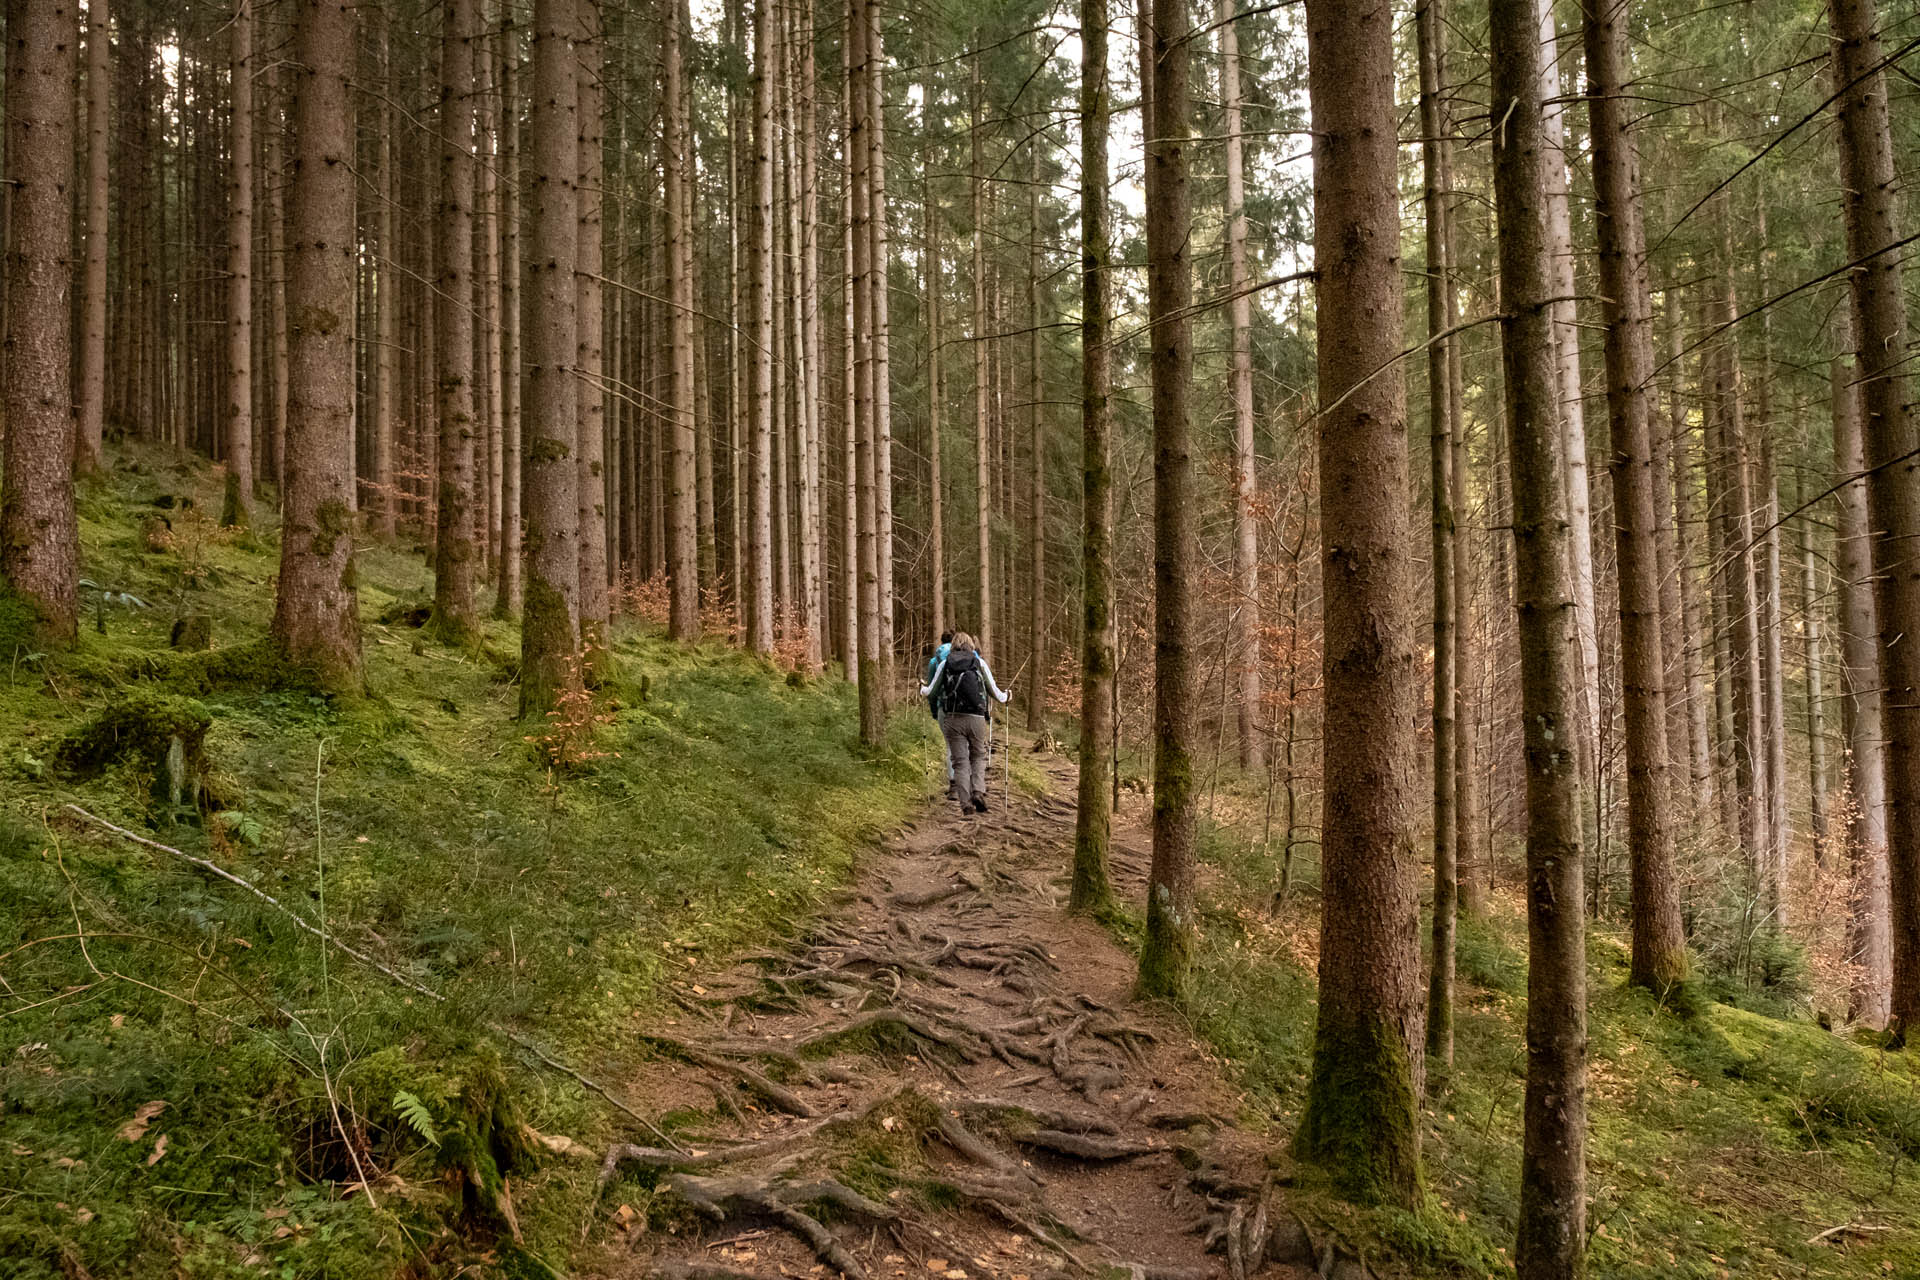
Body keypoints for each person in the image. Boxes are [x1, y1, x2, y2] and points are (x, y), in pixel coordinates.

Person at [920, 632, 1010, 813]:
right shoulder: (979, 663)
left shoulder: (945, 663)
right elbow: (995, 693)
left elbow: (931, 691)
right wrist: (1007, 696)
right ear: (971, 645)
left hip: (953, 718)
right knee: (977, 756)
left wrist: (921, 688)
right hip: (976, 718)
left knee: (960, 762)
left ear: (952, 645)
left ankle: (965, 804)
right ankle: (978, 791)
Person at [926, 631, 954, 786]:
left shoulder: (935, 661)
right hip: (968, 709)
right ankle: (968, 781)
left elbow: (931, 691)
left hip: (944, 706)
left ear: (941, 641)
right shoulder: (970, 657)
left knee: (950, 745)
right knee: (966, 745)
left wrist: (934, 711)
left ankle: (953, 785)